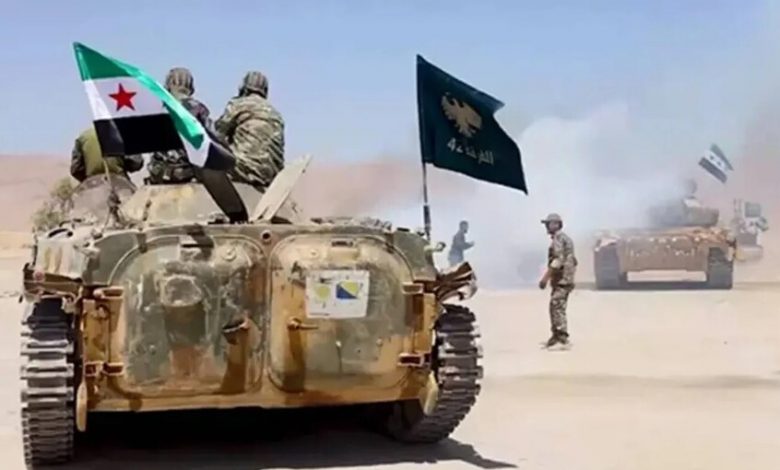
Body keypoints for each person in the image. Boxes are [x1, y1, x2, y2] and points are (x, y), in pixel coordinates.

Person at [215, 71, 285, 191]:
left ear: (244, 88)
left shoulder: (238, 105)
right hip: (270, 175)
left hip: (244, 169)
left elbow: (218, 133)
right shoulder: (276, 114)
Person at [146, 67, 213, 184]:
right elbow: (212, 141)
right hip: (189, 172)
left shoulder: (158, 108)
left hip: (160, 173)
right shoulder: (199, 109)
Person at [538, 213, 577, 348]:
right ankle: (556, 336)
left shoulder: (559, 239)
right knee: (556, 305)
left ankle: (561, 337)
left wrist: (545, 278)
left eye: (548, 224)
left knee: (557, 307)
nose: (547, 227)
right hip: (565, 279)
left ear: (556, 224)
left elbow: (558, 260)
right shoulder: (564, 238)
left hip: (562, 280)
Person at [70, 125, 143, 183]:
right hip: (118, 178)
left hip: (92, 181)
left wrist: (87, 179)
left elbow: (76, 169)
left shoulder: (83, 137)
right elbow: (136, 163)